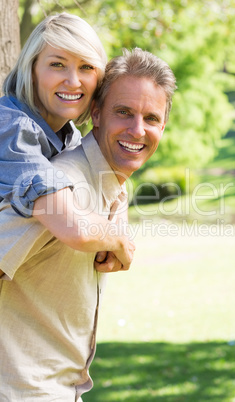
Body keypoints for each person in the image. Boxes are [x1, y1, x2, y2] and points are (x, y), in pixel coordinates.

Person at [0, 47, 177, 401]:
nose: (137, 130)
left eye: (151, 118)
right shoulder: (63, 190)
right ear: (95, 114)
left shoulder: (109, 186)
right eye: (123, 112)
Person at [0, 12, 134, 271]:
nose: (73, 82)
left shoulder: (67, 133)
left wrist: (117, 214)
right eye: (57, 65)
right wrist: (119, 239)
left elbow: (105, 174)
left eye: (86, 67)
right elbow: (76, 229)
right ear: (32, 70)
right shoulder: (13, 128)